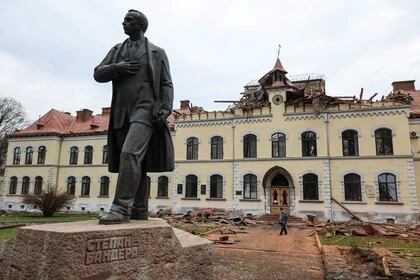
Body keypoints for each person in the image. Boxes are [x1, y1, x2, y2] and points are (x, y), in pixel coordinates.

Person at [93, 9, 174, 224]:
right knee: (138, 161)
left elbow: (166, 82)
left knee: (129, 154)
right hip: (121, 112)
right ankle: (139, 208)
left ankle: (120, 208)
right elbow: (98, 73)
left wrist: (166, 107)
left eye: (128, 20)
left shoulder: (157, 52)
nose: (123, 23)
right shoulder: (117, 50)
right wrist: (116, 68)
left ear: (140, 25)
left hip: (145, 112)